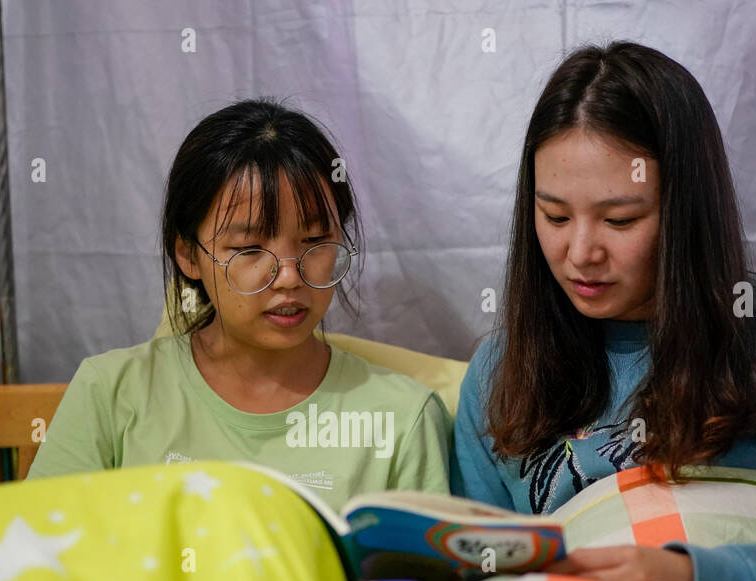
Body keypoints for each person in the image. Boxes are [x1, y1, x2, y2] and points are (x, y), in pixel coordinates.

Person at [451, 42, 756, 581]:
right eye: (553, 216)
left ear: (685, 208)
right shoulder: (498, 376)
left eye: (619, 219)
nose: (580, 252)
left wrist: (690, 574)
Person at [27, 100, 451, 510]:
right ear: (188, 255)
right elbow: (38, 556)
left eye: (316, 242)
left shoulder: (402, 417)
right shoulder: (111, 393)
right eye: (249, 248)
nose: (288, 276)